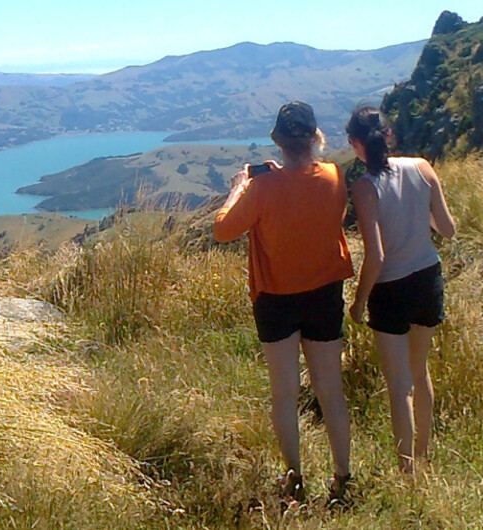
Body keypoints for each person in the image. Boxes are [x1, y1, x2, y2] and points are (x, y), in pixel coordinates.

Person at [214, 101, 354, 503]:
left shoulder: (261, 187)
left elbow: (222, 231)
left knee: (284, 394)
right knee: (331, 391)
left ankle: (294, 482)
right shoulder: (333, 175)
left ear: (277, 141)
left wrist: (240, 187)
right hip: (325, 292)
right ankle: (343, 478)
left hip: (276, 298)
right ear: (315, 138)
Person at [345, 106, 456, 474]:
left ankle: (406, 473)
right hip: (428, 276)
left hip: (391, 288)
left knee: (399, 387)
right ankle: (424, 459)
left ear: (355, 144)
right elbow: (448, 229)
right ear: (389, 136)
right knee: (420, 372)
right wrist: (415, 214)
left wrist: (359, 303)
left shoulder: (364, 187)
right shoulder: (423, 168)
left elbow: (375, 255)